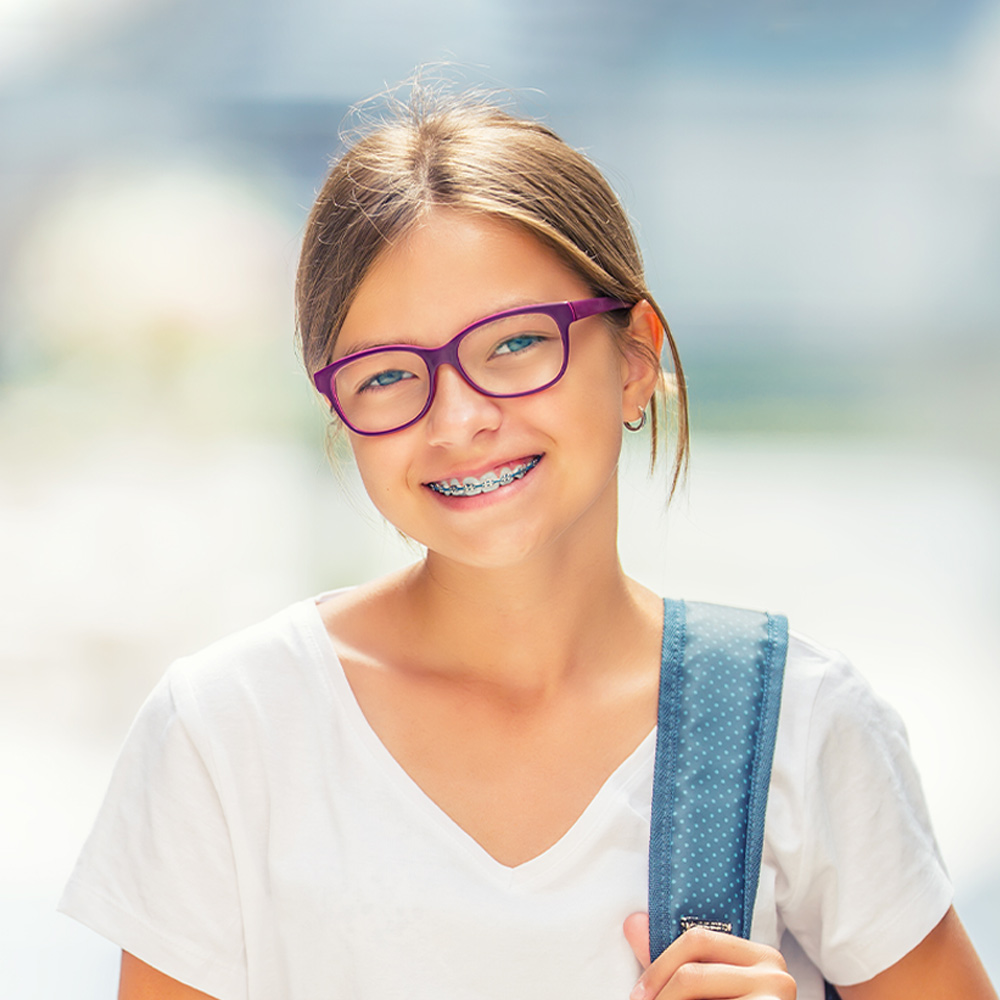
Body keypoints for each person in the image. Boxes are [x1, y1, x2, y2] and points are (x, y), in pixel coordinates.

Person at [59, 85, 996, 1000]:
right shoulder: (231, 731)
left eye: (514, 344)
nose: (459, 419)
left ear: (638, 358)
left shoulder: (799, 723)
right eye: (387, 374)